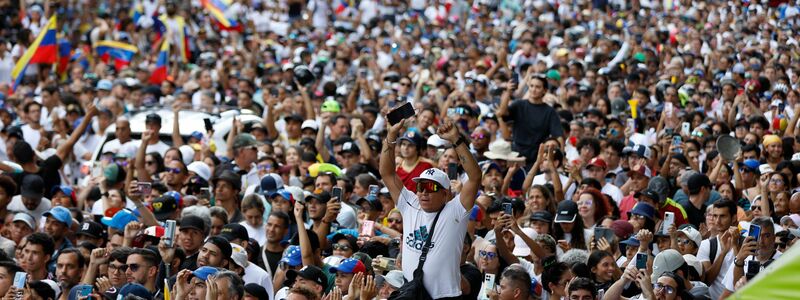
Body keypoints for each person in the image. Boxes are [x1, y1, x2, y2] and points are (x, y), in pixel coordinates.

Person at [380, 119, 481, 299]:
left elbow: (474, 177)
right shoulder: (409, 203)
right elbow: (387, 173)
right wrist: (391, 134)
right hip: (411, 293)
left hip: (445, 296)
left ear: (445, 193)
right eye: (421, 187)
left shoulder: (456, 211)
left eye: (432, 188)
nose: (424, 192)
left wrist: (455, 139)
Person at [497, 74, 564, 166]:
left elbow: (558, 136)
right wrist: (508, 92)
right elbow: (502, 113)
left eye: (537, 87)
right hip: (516, 154)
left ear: (544, 90)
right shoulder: (519, 104)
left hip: (536, 157)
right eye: (531, 86)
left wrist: (561, 157)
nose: (533, 89)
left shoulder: (550, 111)